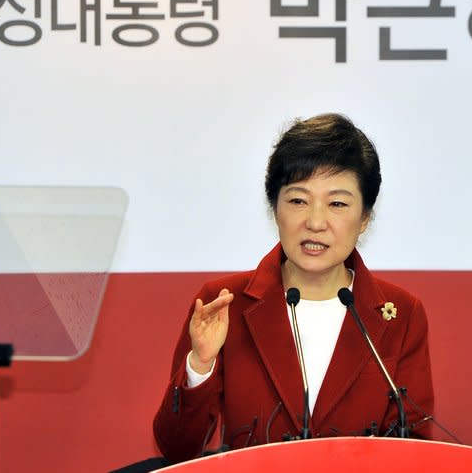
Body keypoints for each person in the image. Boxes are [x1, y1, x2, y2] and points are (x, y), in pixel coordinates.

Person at [153, 113, 434, 463]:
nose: (315, 222)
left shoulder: (400, 313)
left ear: (364, 218)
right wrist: (200, 365)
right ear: (274, 208)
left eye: (337, 204)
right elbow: (178, 450)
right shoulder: (225, 304)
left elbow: (417, 451)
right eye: (298, 200)